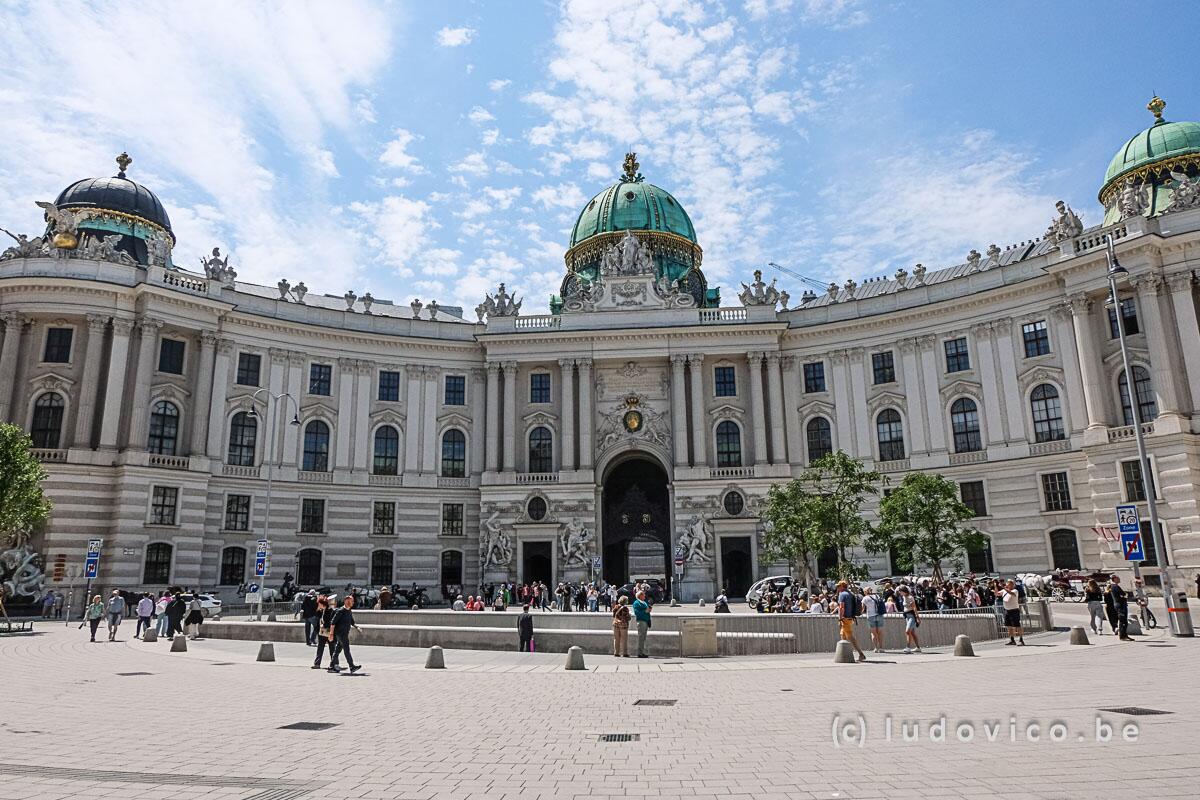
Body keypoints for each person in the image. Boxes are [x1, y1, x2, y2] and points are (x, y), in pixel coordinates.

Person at [327, 595, 362, 673]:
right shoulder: (340, 611)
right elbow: (333, 622)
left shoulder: (349, 610)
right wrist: (331, 634)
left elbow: (352, 622)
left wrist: (357, 627)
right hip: (341, 634)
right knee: (346, 650)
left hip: (345, 633)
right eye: (351, 601)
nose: (353, 602)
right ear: (347, 601)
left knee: (337, 650)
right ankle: (352, 666)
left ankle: (331, 666)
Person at [836, 581, 867, 662]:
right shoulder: (850, 594)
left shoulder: (842, 594)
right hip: (850, 618)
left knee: (850, 637)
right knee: (843, 636)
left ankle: (861, 654)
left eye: (839, 586)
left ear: (842, 586)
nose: (838, 588)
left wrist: (840, 618)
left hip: (845, 618)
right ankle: (844, 655)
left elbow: (841, 607)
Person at [312, 595, 337, 669]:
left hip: (329, 632)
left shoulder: (330, 611)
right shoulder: (322, 611)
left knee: (332, 648)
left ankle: (334, 664)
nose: (318, 605)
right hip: (322, 633)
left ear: (322, 604)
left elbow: (331, 622)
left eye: (319, 603)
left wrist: (324, 625)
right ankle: (317, 663)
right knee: (320, 647)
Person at [1106, 575, 1132, 641]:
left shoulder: (1113, 586)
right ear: (1114, 579)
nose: (1119, 579)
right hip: (1120, 605)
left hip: (1119, 604)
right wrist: (1125, 596)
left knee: (1123, 620)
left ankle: (1124, 635)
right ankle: (1122, 636)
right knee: (1123, 620)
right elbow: (1123, 594)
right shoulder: (1115, 586)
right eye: (1118, 578)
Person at [862, 586, 886, 653]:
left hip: (871, 616)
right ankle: (881, 648)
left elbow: (862, 609)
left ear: (865, 592)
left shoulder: (865, 598)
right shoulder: (877, 596)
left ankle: (876, 648)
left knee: (874, 633)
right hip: (879, 615)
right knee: (880, 632)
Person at [899, 586, 921, 654]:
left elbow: (914, 608)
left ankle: (908, 647)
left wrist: (917, 618)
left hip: (911, 616)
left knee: (907, 631)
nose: (900, 593)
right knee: (912, 633)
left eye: (901, 591)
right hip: (907, 616)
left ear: (904, 591)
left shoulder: (910, 597)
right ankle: (918, 647)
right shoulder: (904, 597)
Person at [1001, 579, 1024, 646]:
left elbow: (1011, 593)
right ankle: (1012, 639)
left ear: (1012, 584)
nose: (1007, 585)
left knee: (1017, 625)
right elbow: (997, 594)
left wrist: (1004, 588)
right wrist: (995, 586)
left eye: (1008, 584)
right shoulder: (1004, 591)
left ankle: (1021, 639)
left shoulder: (1015, 590)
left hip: (1014, 610)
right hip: (1007, 610)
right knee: (1009, 626)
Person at [632, 590, 651, 658]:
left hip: (645, 621)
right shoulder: (637, 603)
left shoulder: (644, 602)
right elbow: (637, 612)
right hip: (641, 621)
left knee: (643, 638)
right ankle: (640, 653)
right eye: (643, 595)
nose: (645, 596)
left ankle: (642, 652)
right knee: (641, 637)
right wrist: (645, 611)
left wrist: (649, 610)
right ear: (640, 596)